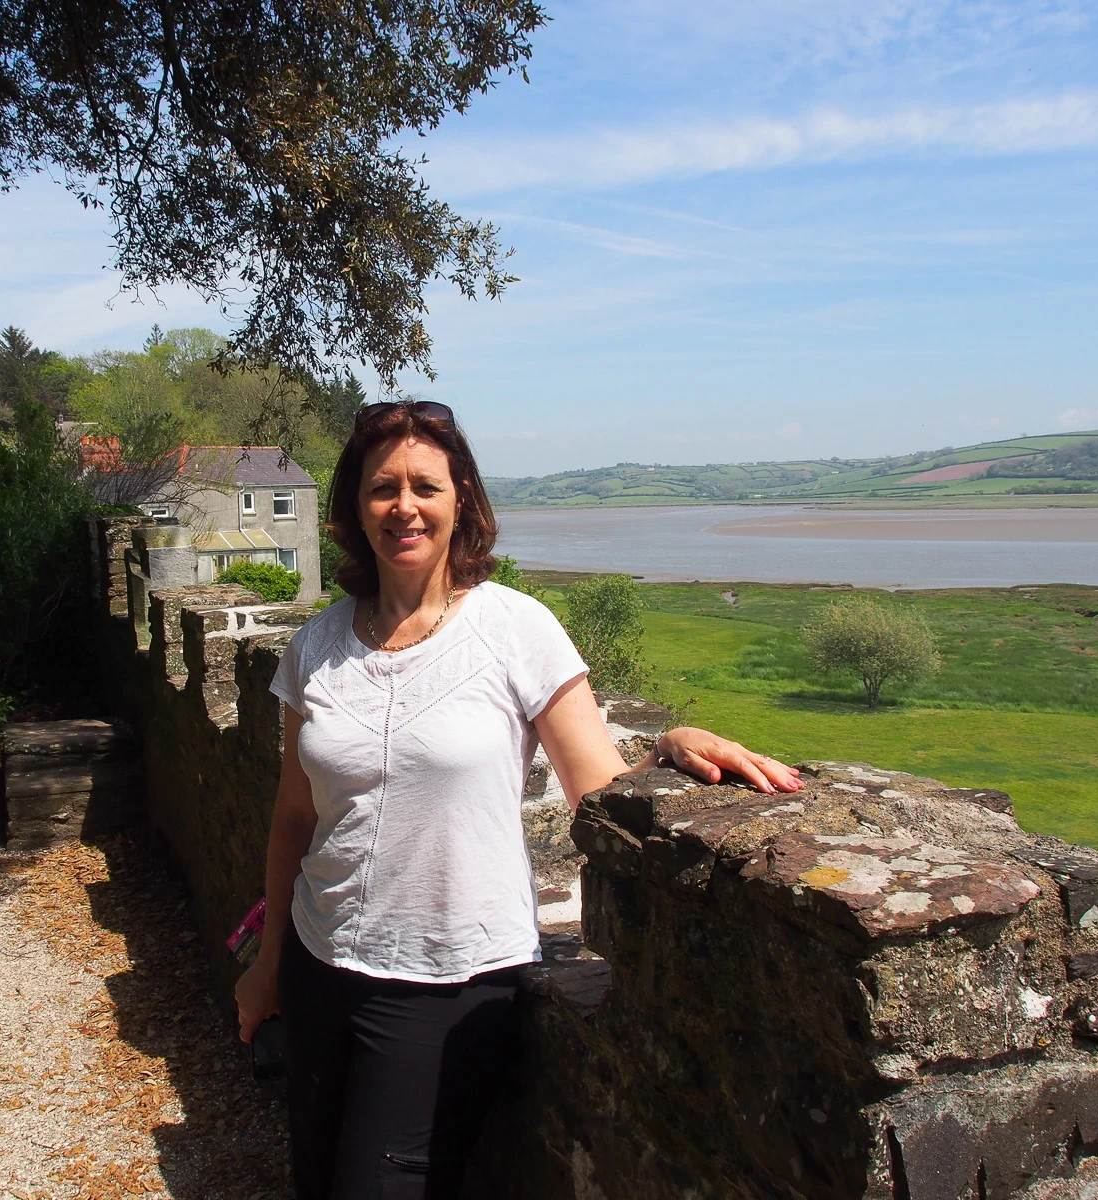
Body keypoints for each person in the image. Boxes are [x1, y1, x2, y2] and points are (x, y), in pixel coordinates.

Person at [235, 400, 801, 1199]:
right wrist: (269, 966)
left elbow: (598, 792)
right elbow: (295, 817)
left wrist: (668, 747)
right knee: (314, 1175)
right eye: (381, 488)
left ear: (460, 497)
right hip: (319, 962)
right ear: (353, 508)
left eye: (425, 486)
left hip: (449, 984)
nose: (404, 506)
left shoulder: (515, 628)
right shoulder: (316, 646)